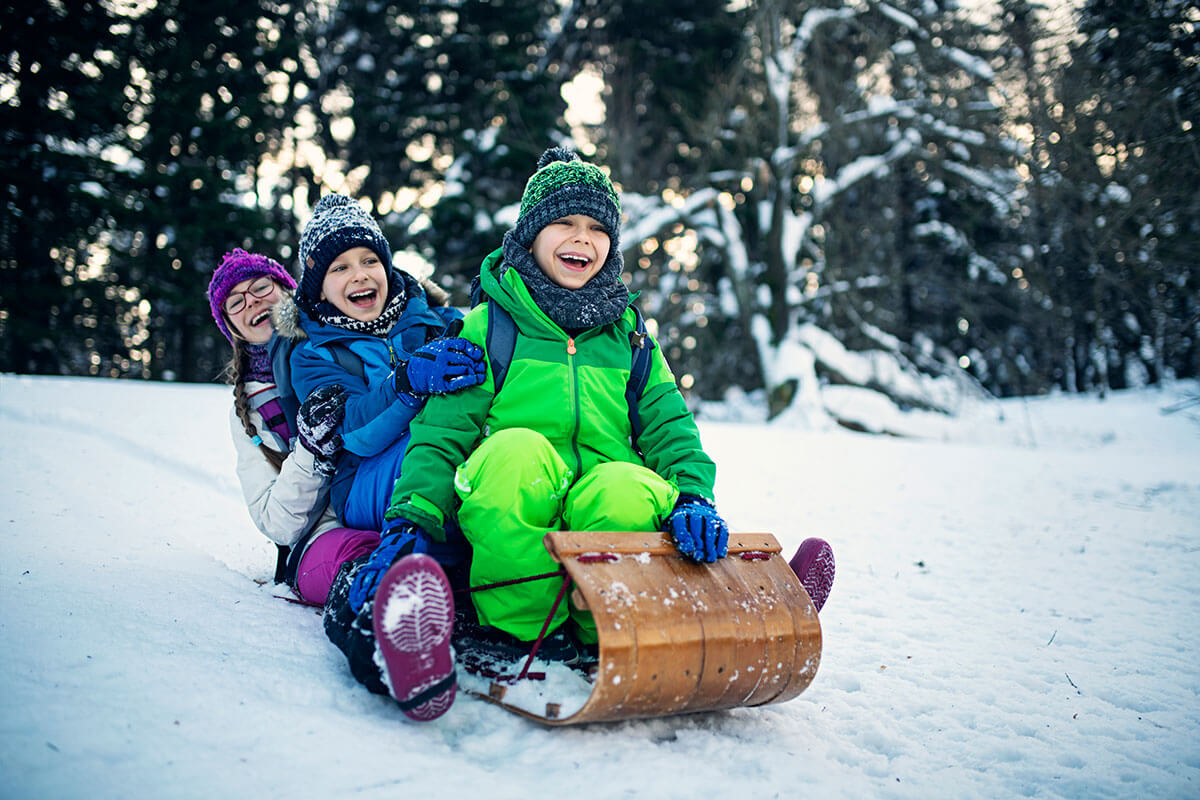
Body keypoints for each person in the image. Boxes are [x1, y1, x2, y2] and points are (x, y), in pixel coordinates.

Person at [345, 147, 836, 721]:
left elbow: (668, 423)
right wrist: (412, 517)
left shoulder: (628, 336)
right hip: (515, 497)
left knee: (626, 484)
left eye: (597, 228)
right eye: (565, 223)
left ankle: (615, 626)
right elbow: (440, 435)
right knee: (515, 452)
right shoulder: (489, 326)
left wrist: (695, 495)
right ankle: (519, 633)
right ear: (530, 234)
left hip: (598, 510)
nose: (582, 239)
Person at [275, 194, 485, 721]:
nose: (360, 274)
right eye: (340, 267)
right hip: (365, 481)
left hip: (439, 457)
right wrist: (408, 381)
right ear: (317, 285)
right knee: (429, 459)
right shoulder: (313, 351)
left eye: (370, 260)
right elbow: (352, 431)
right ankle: (385, 630)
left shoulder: (435, 319)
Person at [207, 248, 379, 605]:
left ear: (287, 291)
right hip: (322, 537)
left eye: (260, 287)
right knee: (362, 566)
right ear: (230, 326)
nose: (252, 302)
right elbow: (276, 524)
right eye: (236, 302)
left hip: (380, 497)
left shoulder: (342, 344)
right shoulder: (252, 412)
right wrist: (311, 450)